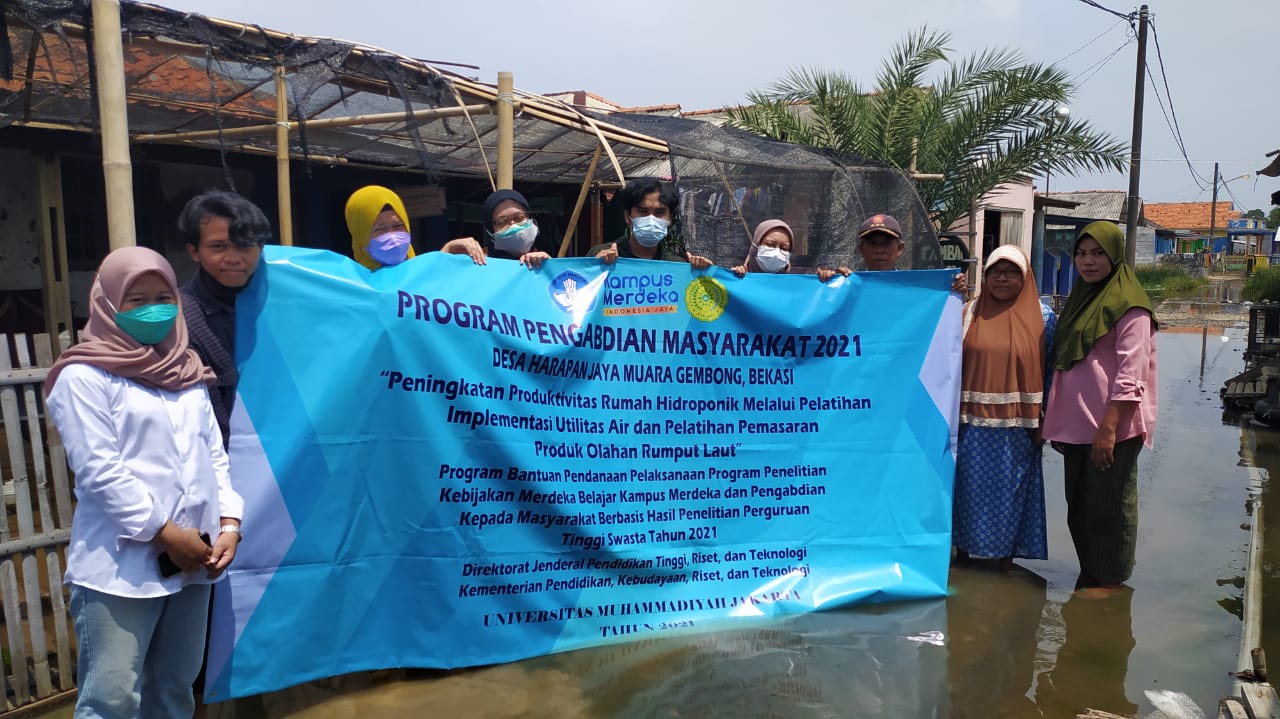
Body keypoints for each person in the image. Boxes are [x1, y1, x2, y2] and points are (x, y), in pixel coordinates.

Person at [44, 246, 244, 719]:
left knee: (174, 690)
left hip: (194, 564)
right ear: (108, 304)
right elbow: (99, 470)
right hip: (119, 570)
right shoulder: (83, 375)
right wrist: (166, 533)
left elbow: (214, 456)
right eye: (136, 300)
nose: (154, 308)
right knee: (111, 699)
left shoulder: (188, 371)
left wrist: (230, 523)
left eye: (164, 296)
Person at [1042, 221, 1157, 593]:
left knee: (1109, 508)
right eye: (1081, 253)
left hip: (1112, 428)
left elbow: (1131, 374)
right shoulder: (1080, 299)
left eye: (1098, 253)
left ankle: (1110, 582)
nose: (1088, 262)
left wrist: (1108, 429)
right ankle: (1090, 573)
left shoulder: (1130, 305)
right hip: (1077, 426)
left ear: (1114, 256)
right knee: (1079, 507)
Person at [952, 246, 1055, 571]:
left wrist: (1047, 421)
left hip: (1018, 427)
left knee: (1009, 495)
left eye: (1011, 271)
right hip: (969, 424)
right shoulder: (966, 313)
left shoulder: (1044, 319)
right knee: (966, 493)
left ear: (1025, 277)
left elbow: (1053, 371)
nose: (1002, 278)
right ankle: (963, 556)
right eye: (995, 271)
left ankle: (1004, 563)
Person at [178, 190, 271, 447]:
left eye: (245, 245)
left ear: (262, 248)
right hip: (219, 464)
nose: (233, 258)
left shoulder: (282, 306)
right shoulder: (180, 321)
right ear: (194, 251)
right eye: (218, 247)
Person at [345, 185, 484, 269]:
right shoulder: (353, 292)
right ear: (360, 236)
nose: (392, 235)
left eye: (398, 225)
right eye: (379, 229)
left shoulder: (420, 275)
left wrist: (449, 250)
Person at [587, 177, 713, 268]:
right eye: (642, 211)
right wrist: (593, 268)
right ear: (627, 216)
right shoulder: (600, 255)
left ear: (670, 219)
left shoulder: (676, 265)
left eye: (659, 212)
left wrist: (703, 276)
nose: (651, 219)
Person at [857, 213, 966, 293]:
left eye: (886, 244)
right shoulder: (849, 288)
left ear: (900, 248)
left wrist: (954, 290)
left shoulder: (915, 288)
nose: (879, 250)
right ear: (861, 249)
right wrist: (841, 283)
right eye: (872, 243)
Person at [730, 219, 850, 282]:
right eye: (770, 245)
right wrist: (731, 279)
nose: (776, 252)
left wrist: (833, 280)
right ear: (755, 246)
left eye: (784, 248)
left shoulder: (800, 281)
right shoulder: (738, 278)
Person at [481, 189, 551, 269]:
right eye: (502, 222)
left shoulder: (542, 261)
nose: (513, 226)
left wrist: (548, 268)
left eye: (519, 218)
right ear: (491, 231)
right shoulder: (479, 261)